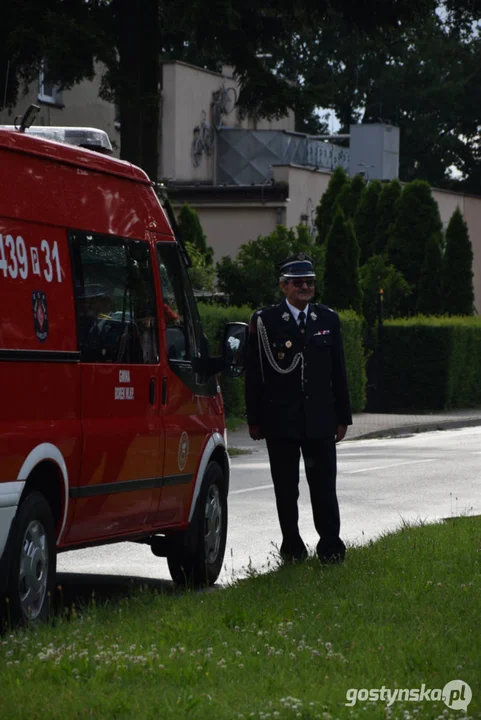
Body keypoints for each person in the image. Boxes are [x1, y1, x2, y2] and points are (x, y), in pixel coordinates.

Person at [245, 252, 352, 564]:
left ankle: (330, 545)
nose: (305, 287)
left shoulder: (328, 319)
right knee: (286, 488)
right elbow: (255, 374)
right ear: (284, 286)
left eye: (309, 282)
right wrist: (254, 419)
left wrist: (342, 417)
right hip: (281, 421)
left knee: (323, 487)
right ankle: (291, 545)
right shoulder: (265, 321)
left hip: (320, 419)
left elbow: (338, 372)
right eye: (298, 283)